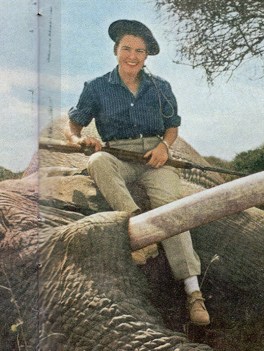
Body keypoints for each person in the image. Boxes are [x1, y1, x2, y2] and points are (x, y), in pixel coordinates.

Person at [64, 19, 210, 326]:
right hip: (117, 154)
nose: (133, 56)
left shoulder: (161, 87)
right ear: (116, 50)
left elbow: (172, 125)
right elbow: (74, 123)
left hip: (154, 157)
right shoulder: (96, 87)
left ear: (146, 56)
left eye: (139, 51)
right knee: (97, 163)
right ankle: (140, 230)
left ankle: (193, 291)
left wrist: (164, 148)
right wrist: (80, 139)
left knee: (175, 211)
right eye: (127, 48)